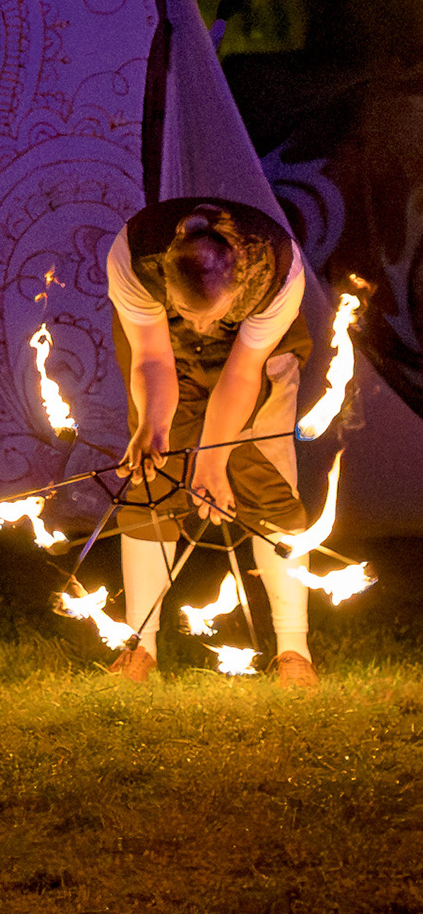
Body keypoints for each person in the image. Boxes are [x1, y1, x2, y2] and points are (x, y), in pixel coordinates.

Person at [105, 197, 316, 686]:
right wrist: (152, 429)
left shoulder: (278, 274)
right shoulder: (133, 257)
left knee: (262, 475)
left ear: (239, 285)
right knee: (151, 475)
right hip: (161, 348)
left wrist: (213, 462)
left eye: (208, 315)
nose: (200, 326)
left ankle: (294, 652)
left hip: (255, 353)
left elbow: (243, 375)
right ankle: (140, 647)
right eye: (186, 311)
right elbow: (153, 361)